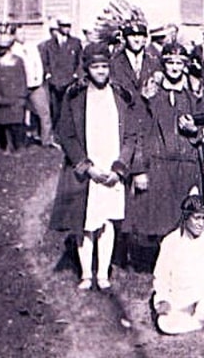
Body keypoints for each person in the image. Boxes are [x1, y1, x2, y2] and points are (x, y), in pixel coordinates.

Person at [49, 43, 139, 291]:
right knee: (85, 222)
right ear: (87, 69)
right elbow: (65, 135)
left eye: (104, 66)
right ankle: (86, 272)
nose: (101, 71)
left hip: (111, 166)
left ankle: (103, 272)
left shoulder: (120, 95)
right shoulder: (75, 96)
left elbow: (131, 134)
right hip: (87, 169)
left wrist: (119, 167)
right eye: (95, 67)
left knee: (108, 222)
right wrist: (86, 166)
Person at [126, 42, 204, 261]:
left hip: (187, 161)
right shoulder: (151, 93)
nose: (174, 67)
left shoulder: (193, 93)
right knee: (160, 216)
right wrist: (138, 169)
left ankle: (184, 260)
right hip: (158, 162)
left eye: (179, 63)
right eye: (170, 62)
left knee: (185, 212)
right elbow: (138, 130)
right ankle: (158, 262)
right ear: (163, 65)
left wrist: (195, 130)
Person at [152, 193, 204, 335]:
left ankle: (203, 318)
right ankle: (202, 321)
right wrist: (163, 299)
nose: (201, 224)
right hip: (181, 295)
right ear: (186, 217)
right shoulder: (171, 241)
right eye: (196, 218)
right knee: (164, 323)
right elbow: (161, 276)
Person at [38, 16, 82, 132]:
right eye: (64, 26)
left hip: (70, 80)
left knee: (69, 107)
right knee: (55, 108)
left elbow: (80, 61)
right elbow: (45, 61)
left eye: (68, 26)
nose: (66, 29)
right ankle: (56, 132)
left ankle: (68, 131)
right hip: (55, 81)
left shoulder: (75, 43)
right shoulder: (49, 44)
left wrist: (76, 74)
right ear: (59, 27)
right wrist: (48, 74)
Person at [0, 35, 29, 151]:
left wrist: (22, 96)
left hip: (16, 96)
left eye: (5, 48)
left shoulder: (17, 61)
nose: (2, 51)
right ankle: (8, 144)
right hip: (3, 95)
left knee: (16, 122)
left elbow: (22, 79)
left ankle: (19, 145)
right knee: (4, 122)